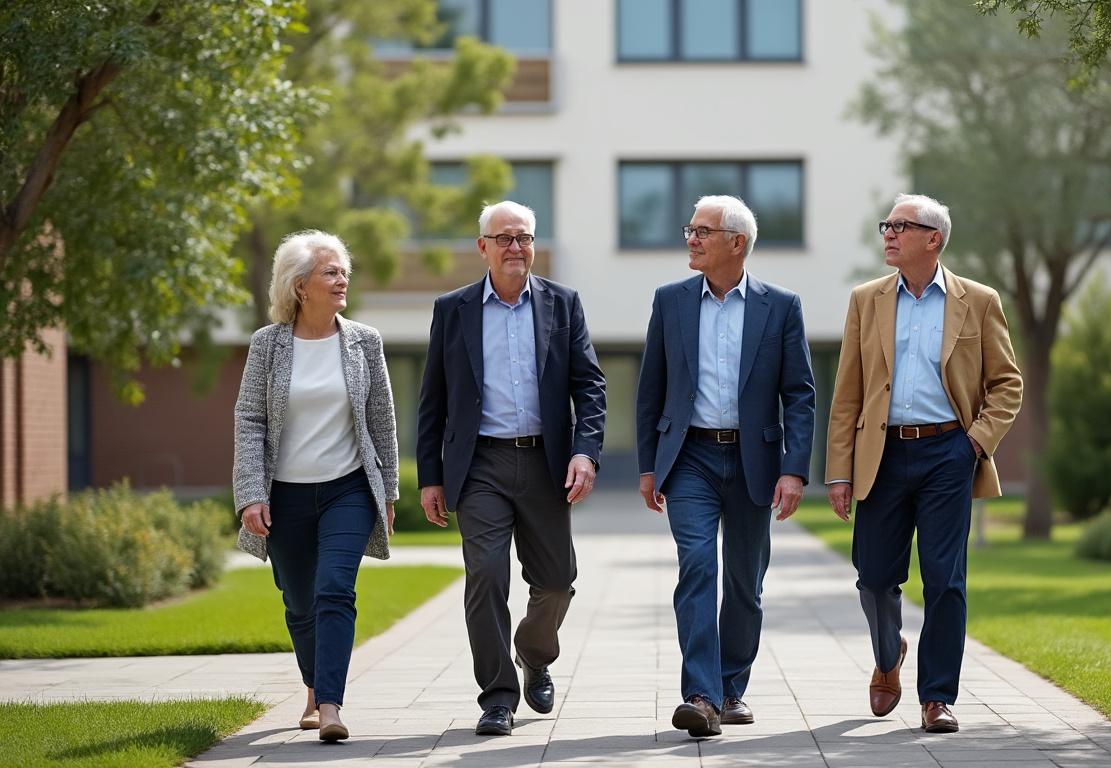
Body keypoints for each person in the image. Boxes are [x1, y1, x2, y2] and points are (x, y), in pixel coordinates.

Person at [825, 194, 1022, 733]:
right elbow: (847, 393)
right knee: (873, 577)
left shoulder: (978, 301)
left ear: (933, 239)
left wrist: (974, 444)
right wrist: (839, 471)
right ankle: (888, 654)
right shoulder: (865, 300)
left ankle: (937, 697)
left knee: (945, 580)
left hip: (948, 454)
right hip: (881, 454)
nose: (888, 233)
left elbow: (1007, 384)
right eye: (886, 225)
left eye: (900, 226)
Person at [416, 200, 606, 737]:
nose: (515, 247)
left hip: (546, 462)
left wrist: (585, 452)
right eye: (503, 238)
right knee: (486, 575)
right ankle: (497, 697)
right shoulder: (452, 309)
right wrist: (431, 477)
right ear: (483, 247)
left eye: (523, 237)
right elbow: (433, 400)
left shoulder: (562, 303)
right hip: (480, 464)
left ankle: (534, 654)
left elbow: (590, 386)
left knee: (557, 582)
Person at [635, 195, 816, 737]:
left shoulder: (780, 306)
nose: (691, 239)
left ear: (736, 243)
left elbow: (799, 395)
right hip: (689, 456)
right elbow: (650, 390)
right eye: (689, 229)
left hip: (754, 460)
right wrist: (648, 466)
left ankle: (731, 687)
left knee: (744, 582)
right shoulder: (669, 301)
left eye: (703, 231)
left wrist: (794, 469)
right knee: (697, 566)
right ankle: (701, 694)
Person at [233, 230, 399, 743]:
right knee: (299, 601)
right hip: (284, 494)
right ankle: (312, 687)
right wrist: (251, 494)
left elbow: (382, 420)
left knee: (334, 589)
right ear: (300, 285)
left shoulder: (364, 341)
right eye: (331, 272)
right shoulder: (268, 345)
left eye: (344, 270)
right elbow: (249, 419)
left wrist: (388, 493)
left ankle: (330, 705)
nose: (342, 279)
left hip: (348, 489)